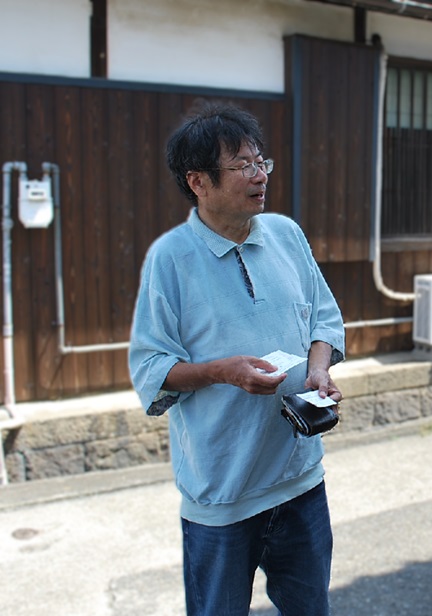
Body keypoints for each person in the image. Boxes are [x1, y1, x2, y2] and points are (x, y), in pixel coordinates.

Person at [129, 102, 345, 616]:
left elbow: (324, 319)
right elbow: (150, 367)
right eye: (242, 166)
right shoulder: (171, 258)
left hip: (300, 479)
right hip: (222, 494)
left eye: (260, 162)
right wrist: (221, 371)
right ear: (198, 181)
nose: (258, 175)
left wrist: (318, 368)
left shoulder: (287, 235)